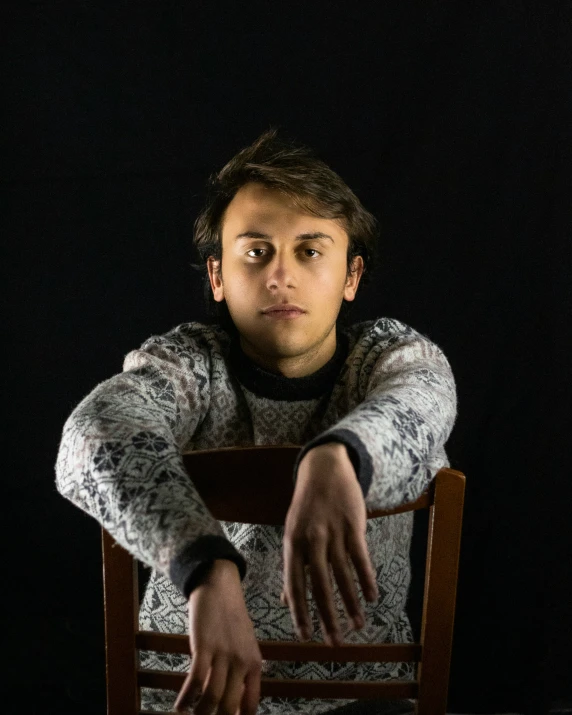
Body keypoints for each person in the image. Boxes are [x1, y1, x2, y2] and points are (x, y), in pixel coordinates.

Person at [55, 127, 458, 715]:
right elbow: (91, 436)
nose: (280, 276)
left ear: (352, 278)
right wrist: (207, 568)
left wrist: (334, 457)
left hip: (361, 700)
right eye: (256, 250)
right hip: (192, 694)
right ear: (217, 277)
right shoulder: (188, 366)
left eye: (310, 250)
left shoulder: (387, 358)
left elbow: (423, 399)